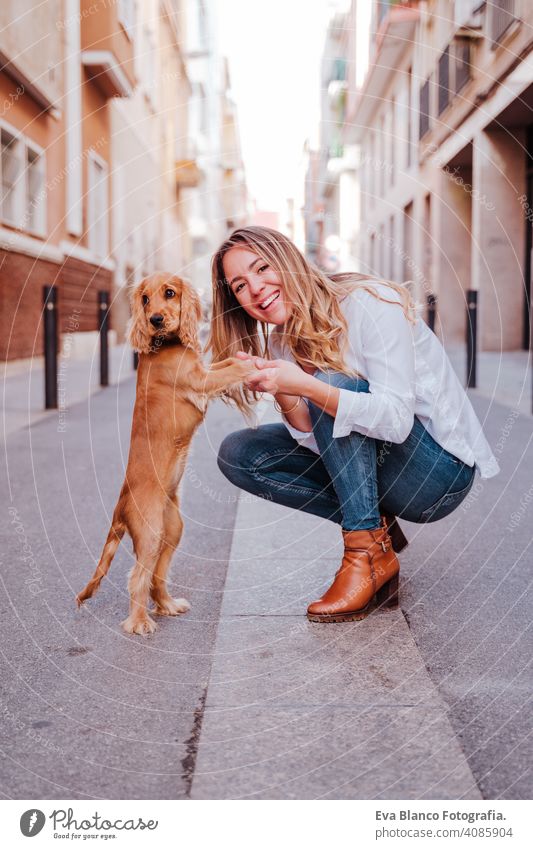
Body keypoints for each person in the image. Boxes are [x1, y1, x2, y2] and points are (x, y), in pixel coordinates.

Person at [207, 226, 500, 623]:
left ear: (289, 261)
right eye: (240, 285)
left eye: (262, 268)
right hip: (388, 466)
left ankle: (363, 552)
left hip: (439, 475)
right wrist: (281, 388)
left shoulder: (369, 305)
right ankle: (376, 535)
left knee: (332, 385)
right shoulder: (280, 341)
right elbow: (318, 443)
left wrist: (309, 386)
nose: (256, 289)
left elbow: (396, 422)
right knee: (239, 454)